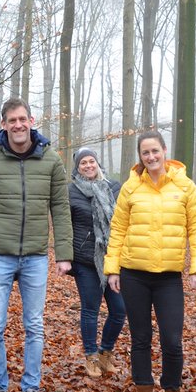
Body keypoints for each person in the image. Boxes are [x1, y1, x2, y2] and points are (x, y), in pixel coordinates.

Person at [0, 98, 73, 392]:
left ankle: (30, 390)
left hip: (36, 256)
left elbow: (61, 208)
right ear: (3, 124)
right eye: (12, 120)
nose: (19, 125)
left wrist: (64, 254)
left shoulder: (50, 159)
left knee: (34, 326)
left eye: (23, 119)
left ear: (32, 120)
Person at [104, 130, 196, 392]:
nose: (151, 157)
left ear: (165, 151)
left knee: (172, 340)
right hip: (133, 274)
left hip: (168, 278)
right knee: (140, 339)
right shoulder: (130, 188)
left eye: (155, 151)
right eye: (145, 153)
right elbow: (118, 230)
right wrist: (112, 269)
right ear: (140, 157)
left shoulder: (185, 187)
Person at [67, 147, 125, 379]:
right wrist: (67, 256)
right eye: (83, 163)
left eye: (91, 161)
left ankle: (105, 353)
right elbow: (66, 223)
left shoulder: (114, 187)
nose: (88, 165)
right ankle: (90, 356)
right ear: (77, 168)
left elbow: (123, 221)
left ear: (98, 163)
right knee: (90, 310)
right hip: (85, 260)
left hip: (112, 259)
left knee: (119, 311)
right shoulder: (72, 191)